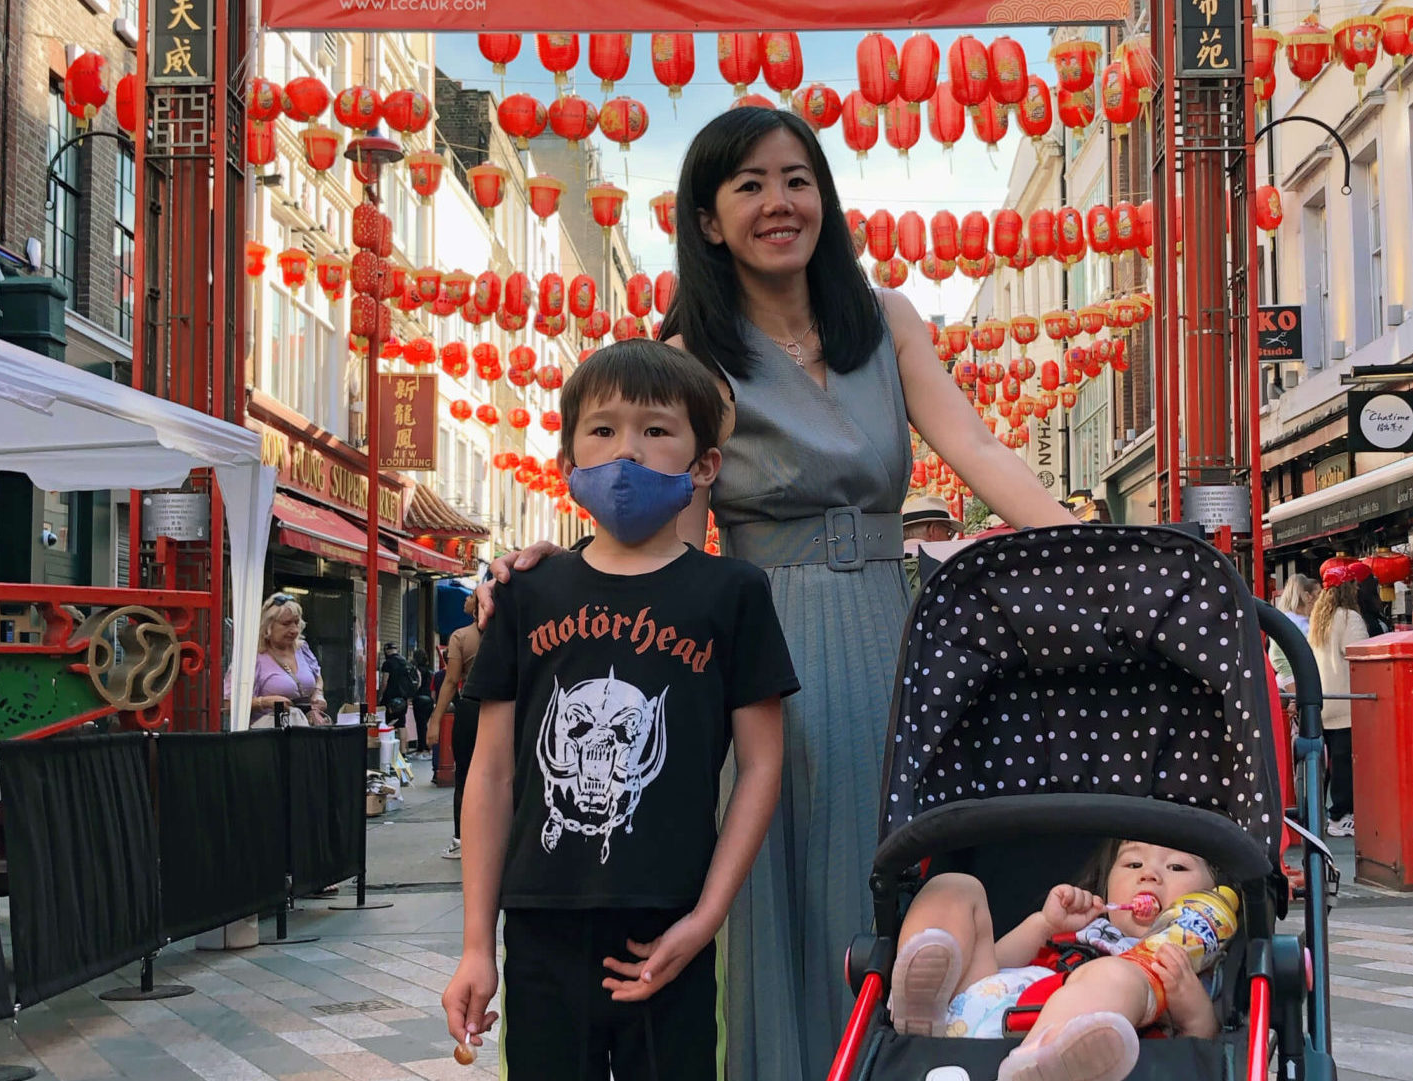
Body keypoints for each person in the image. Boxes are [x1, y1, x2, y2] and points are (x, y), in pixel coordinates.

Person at [475, 107, 1076, 1081]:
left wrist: (1092, 549)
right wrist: (569, 562)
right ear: (708, 220)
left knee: (896, 872)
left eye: (796, 179)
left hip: (892, 630)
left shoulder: (887, 320)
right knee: (772, 886)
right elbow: (665, 526)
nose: (778, 202)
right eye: (748, 185)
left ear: (823, 196)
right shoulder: (691, 350)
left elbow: (976, 445)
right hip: (761, 637)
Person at [441, 340, 799, 1080]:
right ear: (567, 460)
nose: (627, 451)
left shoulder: (734, 594)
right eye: (602, 429)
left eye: (656, 429)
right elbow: (493, 772)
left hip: (671, 926)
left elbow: (763, 764)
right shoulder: (524, 594)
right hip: (540, 922)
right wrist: (477, 943)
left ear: (704, 465)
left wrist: (706, 918)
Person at [885, 840, 1225, 1081]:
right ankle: (920, 1004)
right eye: (1133, 864)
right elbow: (995, 967)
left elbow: (1198, 1055)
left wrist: (1194, 1011)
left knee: (1118, 974)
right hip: (965, 1013)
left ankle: (1042, 1064)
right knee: (955, 886)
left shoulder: (1186, 965)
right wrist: (1045, 925)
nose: (1149, 874)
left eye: (1177, 866)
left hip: (1060, 1049)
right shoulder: (1079, 932)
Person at [1310, 565, 1372, 837]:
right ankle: (1340, 815)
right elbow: (1360, 655)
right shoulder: (1350, 618)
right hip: (1348, 700)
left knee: (1327, 763)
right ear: (1348, 588)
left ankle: (1321, 815)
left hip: (1323, 700)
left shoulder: (1319, 618)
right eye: (1354, 584)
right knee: (1346, 763)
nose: (1358, 588)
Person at [426, 592, 484, 859]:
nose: (464, 601)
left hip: (471, 709)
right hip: (504, 709)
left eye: (469, 597)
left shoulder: (461, 637)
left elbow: (450, 682)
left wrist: (435, 720)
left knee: (465, 776)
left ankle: (461, 839)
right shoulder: (508, 633)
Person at [226, 593, 329, 728]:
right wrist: (265, 702)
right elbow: (228, 704)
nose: (294, 630)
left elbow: (317, 676)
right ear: (268, 625)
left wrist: (318, 693)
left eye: (296, 622)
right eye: (286, 624)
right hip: (268, 736)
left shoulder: (302, 649)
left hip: (306, 733)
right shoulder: (252, 658)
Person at [1267, 573, 1319, 690]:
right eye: (1318, 595)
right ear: (1307, 596)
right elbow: (1278, 657)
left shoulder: (1286, 619)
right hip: (1294, 682)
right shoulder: (1292, 622)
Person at [408, 648, 438, 757]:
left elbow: (417, 685)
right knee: (426, 723)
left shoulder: (416, 670)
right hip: (429, 699)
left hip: (419, 699)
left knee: (420, 725)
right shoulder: (431, 672)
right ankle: (428, 747)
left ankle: (421, 748)